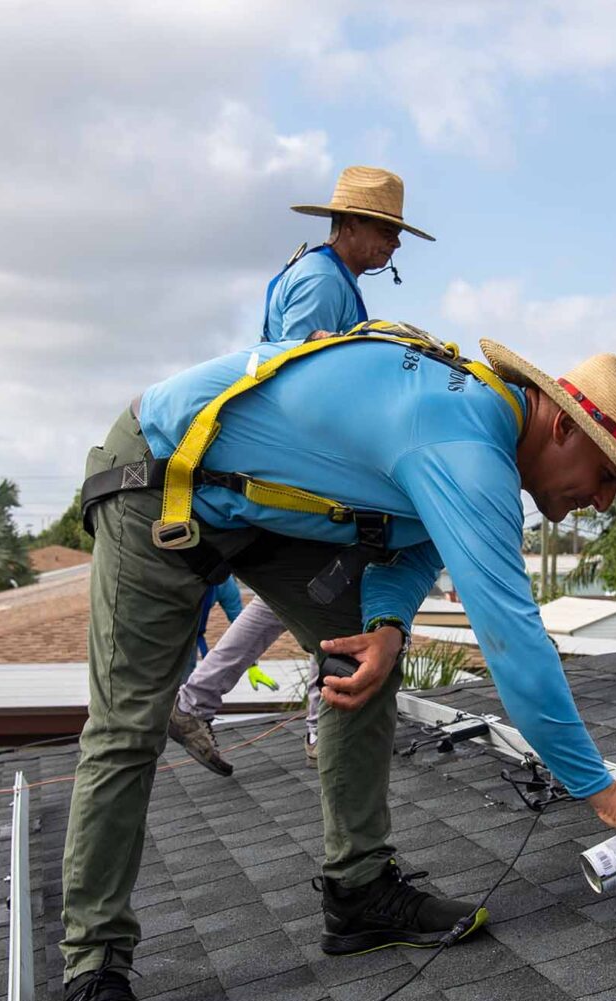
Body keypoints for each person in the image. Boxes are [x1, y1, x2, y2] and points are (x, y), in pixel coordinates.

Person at [58, 322, 616, 1001]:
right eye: (608, 475)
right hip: (158, 481)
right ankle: (94, 962)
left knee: (358, 652)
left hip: (259, 507)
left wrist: (390, 621)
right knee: (128, 727)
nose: (602, 501)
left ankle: (358, 892)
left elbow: (410, 540)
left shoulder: (480, 434)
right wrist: (602, 791)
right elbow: (513, 642)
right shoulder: (463, 445)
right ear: (562, 424)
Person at [168, 165, 433, 773]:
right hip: (295, 468)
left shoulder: (325, 274)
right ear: (353, 224)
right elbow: (293, 392)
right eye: (388, 231)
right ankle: (316, 726)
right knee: (339, 592)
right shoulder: (320, 282)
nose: (394, 245)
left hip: (291, 464)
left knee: (309, 595)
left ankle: (199, 701)